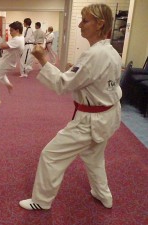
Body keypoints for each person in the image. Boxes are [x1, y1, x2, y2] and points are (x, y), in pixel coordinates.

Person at [19, 3, 122, 210]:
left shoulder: (94, 55)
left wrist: (42, 59)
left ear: (100, 24)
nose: (80, 25)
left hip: (90, 120)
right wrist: (73, 72)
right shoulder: (111, 52)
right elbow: (95, 81)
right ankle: (104, 195)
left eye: (85, 21)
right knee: (93, 156)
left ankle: (41, 201)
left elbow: (63, 84)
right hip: (109, 115)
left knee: (51, 155)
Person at [0, 21, 24, 109]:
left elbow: (3, 46)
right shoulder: (21, 38)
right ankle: (8, 84)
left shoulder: (17, 40)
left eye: (11, 31)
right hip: (7, 61)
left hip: (7, 63)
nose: (10, 33)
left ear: (17, 30)